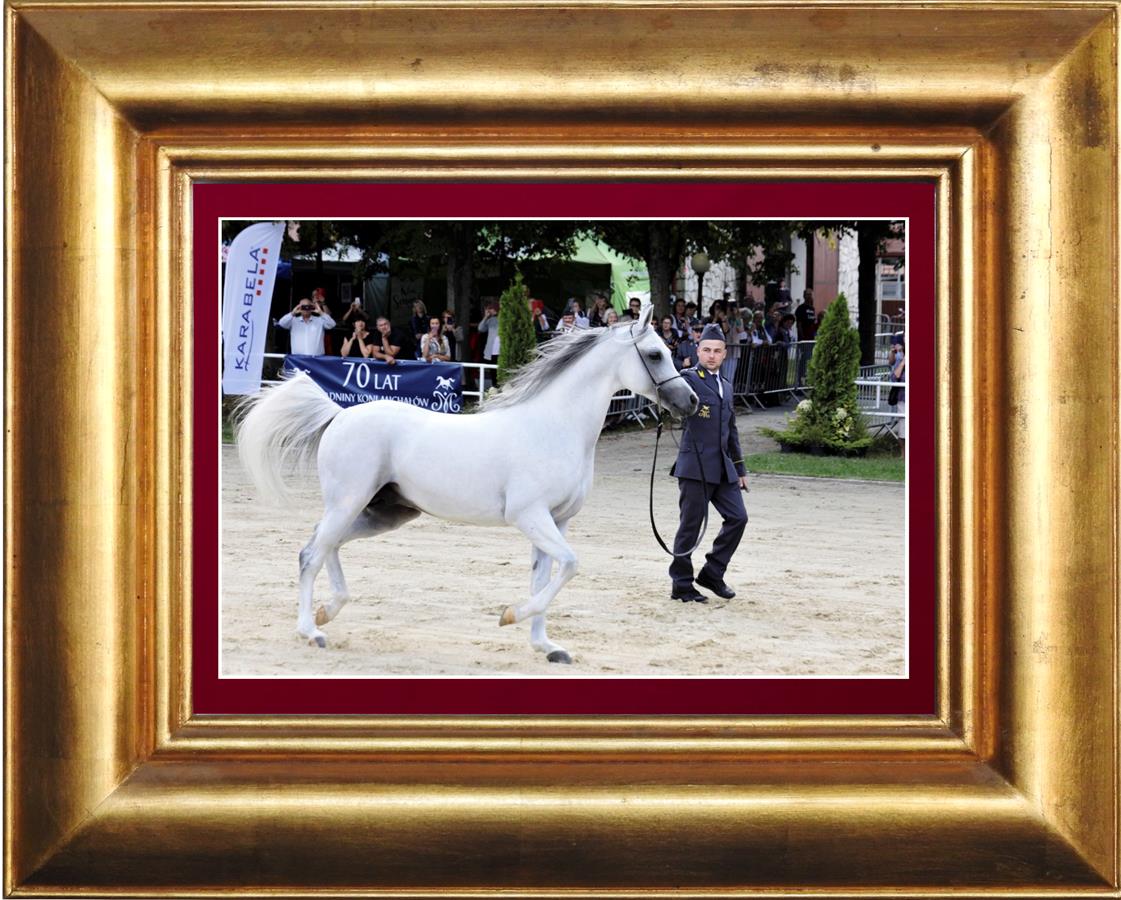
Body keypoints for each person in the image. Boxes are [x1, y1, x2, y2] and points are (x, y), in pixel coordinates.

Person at [669, 323, 749, 603]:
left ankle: (712, 573)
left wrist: (740, 468)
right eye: (706, 350)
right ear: (698, 351)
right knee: (690, 526)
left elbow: (731, 430)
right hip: (695, 466)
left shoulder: (726, 386)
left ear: (725, 354)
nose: (711, 355)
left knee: (738, 518)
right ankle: (681, 584)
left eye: (717, 351)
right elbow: (671, 394)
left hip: (723, 467)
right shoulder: (688, 378)